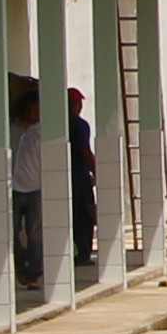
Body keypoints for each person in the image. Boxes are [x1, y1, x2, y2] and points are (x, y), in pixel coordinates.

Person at [7, 70, 44, 302]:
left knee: (35, 233)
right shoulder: (11, 128)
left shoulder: (43, 132)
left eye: (36, 111)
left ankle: (33, 272)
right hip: (12, 188)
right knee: (10, 232)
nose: (32, 114)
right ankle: (19, 267)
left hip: (35, 188)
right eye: (28, 110)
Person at [65, 84, 102, 283]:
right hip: (79, 176)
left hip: (58, 177)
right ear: (77, 105)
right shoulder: (79, 125)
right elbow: (84, 151)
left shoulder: (53, 124)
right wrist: (97, 171)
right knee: (84, 216)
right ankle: (83, 255)